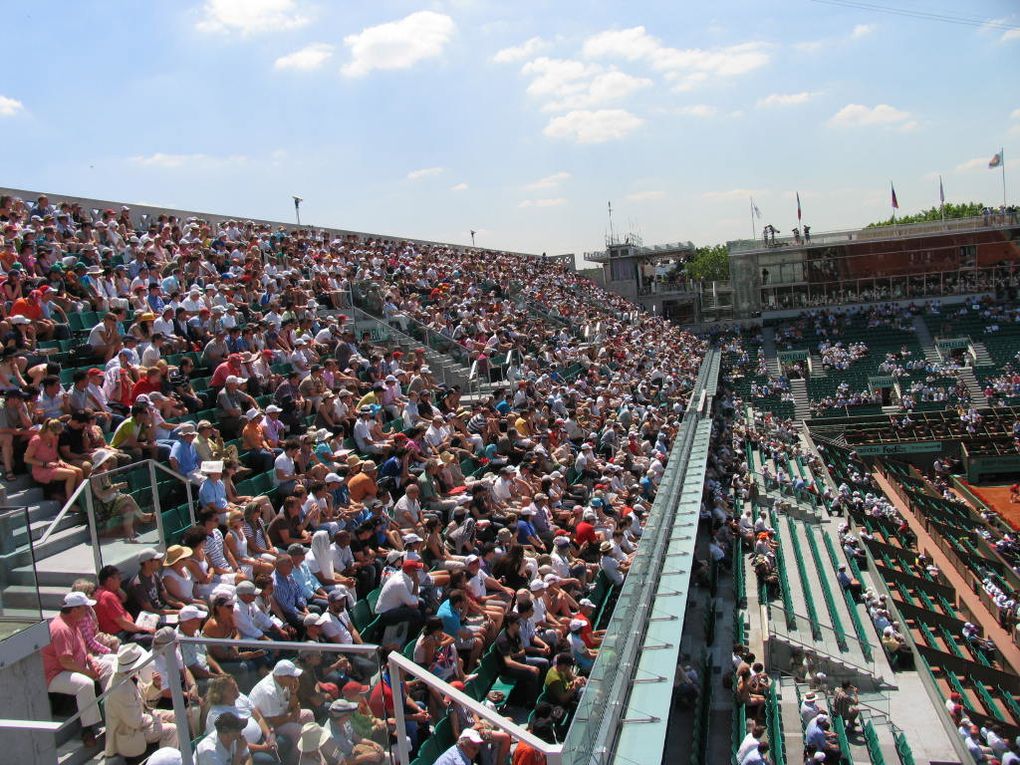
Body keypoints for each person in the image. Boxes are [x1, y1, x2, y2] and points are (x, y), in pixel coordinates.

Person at [41, 591, 111, 748]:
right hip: (55, 675)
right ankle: (88, 730)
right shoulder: (60, 628)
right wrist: (88, 673)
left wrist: (92, 661)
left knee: (109, 665)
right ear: (74, 610)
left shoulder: (74, 623)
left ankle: (113, 711)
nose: (88, 611)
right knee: (85, 684)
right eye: (85, 608)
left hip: (75, 666)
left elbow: (83, 649)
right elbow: (65, 661)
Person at [103, 643, 178, 759]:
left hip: (143, 717)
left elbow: (142, 696)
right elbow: (135, 721)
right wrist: (158, 721)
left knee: (178, 715)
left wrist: (155, 685)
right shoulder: (120, 690)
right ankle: (165, 761)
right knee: (172, 730)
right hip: (129, 733)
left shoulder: (131, 675)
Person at [249, 659, 316, 761]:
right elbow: (274, 722)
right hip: (267, 725)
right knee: (297, 730)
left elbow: (292, 706)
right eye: (291, 676)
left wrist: (294, 692)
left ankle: (310, 753)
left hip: (280, 716)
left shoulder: (284, 683)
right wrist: (292, 715)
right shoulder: (269, 691)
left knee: (308, 714)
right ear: (280, 677)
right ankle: (296, 761)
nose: (295, 678)